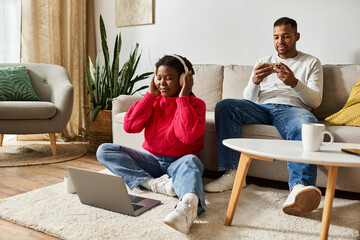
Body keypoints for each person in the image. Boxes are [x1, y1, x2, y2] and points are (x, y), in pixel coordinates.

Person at [204, 17, 324, 217]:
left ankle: (299, 188)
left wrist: (294, 82)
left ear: (297, 36)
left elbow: (315, 101)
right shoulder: (263, 61)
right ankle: (234, 175)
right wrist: (254, 81)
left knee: (307, 124)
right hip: (261, 108)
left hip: (291, 109)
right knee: (225, 106)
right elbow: (247, 99)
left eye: (286, 36)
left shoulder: (311, 62)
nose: (280, 41)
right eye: (276, 37)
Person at [96, 54, 206, 234]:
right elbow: (130, 126)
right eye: (159, 78)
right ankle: (152, 184)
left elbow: (187, 137)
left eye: (169, 78)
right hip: (153, 162)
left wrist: (183, 98)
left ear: (184, 79)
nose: (162, 83)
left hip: (179, 163)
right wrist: (149, 96)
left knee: (192, 162)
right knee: (105, 150)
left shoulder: (196, 104)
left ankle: (186, 209)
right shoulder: (153, 101)